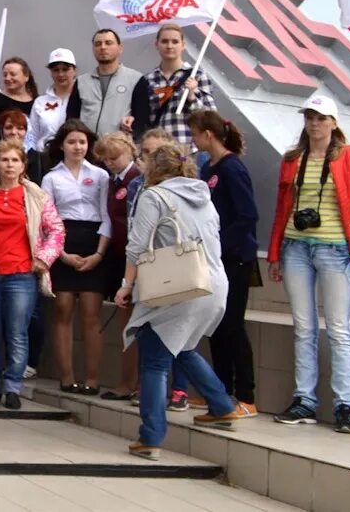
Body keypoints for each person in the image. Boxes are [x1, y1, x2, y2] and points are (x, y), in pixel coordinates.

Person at [268, 92, 350, 433]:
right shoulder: (293, 158)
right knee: (304, 327)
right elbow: (282, 209)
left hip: (336, 248)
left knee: (338, 329)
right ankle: (305, 400)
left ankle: (344, 404)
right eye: (309, 117)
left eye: (320, 118)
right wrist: (275, 254)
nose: (314, 124)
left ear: (333, 123)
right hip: (297, 247)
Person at [117, 144, 240, 459]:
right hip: (213, 282)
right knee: (182, 348)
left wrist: (126, 285)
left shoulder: (153, 197)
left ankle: (151, 438)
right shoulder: (203, 197)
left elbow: (137, 247)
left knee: (155, 360)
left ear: (153, 169)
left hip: (179, 285)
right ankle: (223, 406)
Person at [0, 140, 64, 409]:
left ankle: (12, 387)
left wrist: (43, 259)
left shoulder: (36, 196)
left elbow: (56, 230)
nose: (9, 165)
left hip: (21, 275)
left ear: (23, 165)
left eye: (15, 160)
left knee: (17, 333)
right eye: (4, 160)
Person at [189, 108, 258, 418]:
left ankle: (246, 395)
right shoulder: (209, 168)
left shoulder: (232, 168)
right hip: (213, 259)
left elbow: (247, 216)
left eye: (194, 133)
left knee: (233, 325)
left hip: (235, 258)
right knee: (216, 324)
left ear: (208, 135)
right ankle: (221, 390)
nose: (192, 139)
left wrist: (219, 245)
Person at [41, 120, 112, 396]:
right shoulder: (51, 177)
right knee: (63, 311)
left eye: (82, 142)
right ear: (62, 145)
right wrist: (61, 254)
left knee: (92, 315)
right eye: (72, 142)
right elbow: (48, 219)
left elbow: (106, 215)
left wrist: (98, 254)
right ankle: (67, 378)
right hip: (63, 241)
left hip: (94, 241)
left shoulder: (101, 175)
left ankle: (92, 379)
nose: (78, 147)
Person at [92, 131, 142, 402]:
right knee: (127, 323)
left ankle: (133, 382)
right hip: (118, 256)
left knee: (136, 323)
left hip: (135, 258)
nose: (111, 162)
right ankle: (127, 381)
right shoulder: (113, 181)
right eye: (107, 159)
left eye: (115, 157)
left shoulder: (137, 178)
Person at [133, 23, 215, 151]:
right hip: (158, 150)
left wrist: (192, 97)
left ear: (183, 45)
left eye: (175, 41)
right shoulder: (148, 80)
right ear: (157, 45)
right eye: (164, 41)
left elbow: (211, 116)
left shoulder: (197, 75)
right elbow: (144, 119)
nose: (169, 46)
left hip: (188, 148)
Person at [75, 29, 141, 137]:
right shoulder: (81, 82)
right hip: (87, 149)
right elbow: (72, 118)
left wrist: (131, 125)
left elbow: (141, 119)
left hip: (119, 148)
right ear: (93, 49)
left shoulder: (136, 79)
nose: (103, 47)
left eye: (108, 43)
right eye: (98, 44)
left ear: (120, 48)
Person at [28, 49, 83, 151]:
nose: (60, 74)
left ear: (74, 70)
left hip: (74, 155)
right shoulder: (40, 102)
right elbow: (32, 135)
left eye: (65, 69)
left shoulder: (82, 99)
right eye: (56, 70)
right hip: (45, 157)